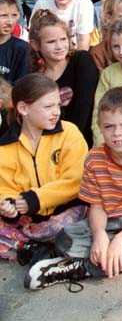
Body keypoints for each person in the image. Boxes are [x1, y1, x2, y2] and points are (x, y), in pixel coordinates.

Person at [25, 87, 122, 290]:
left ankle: (79, 269)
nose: (118, 134)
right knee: (64, 239)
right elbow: (96, 205)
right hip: (109, 222)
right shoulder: (94, 158)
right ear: (100, 126)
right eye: (109, 127)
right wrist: (99, 235)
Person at [0, 74, 87, 261]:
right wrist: (8, 204)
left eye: (57, 105)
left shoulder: (68, 132)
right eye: (48, 106)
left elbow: (76, 179)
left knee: (64, 228)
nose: (56, 112)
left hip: (67, 210)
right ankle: (32, 247)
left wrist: (37, 198)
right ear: (23, 108)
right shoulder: (6, 146)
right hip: (28, 217)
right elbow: (4, 185)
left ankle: (27, 247)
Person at [28, 10, 98, 142]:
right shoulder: (36, 77)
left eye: (63, 39)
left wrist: (70, 142)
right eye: (51, 42)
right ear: (35, 45)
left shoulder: (81, 60)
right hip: (49, 142)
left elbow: (84, 105)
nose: (59, 46)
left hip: (81, 140)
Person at [0, 0, 29, 84]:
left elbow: (20, 86)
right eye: (3, 16)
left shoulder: (22, 49)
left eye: (14, 15)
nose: (10, 22)